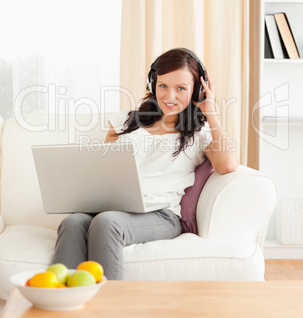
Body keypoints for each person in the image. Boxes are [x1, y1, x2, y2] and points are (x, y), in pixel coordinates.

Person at [51, 48, 238, 279]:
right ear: (153, 84)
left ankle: (108, 308)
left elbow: (227, 166)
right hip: (114, 207)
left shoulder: (200, 133)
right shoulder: (126, 121)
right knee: (73, 222)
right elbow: (104, 170)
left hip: (161, 214)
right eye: (163, 86)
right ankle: (61, 301)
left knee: (106, 223)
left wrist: (212, 113)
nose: (170, 96)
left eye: (181, 88)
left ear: (196, 90)